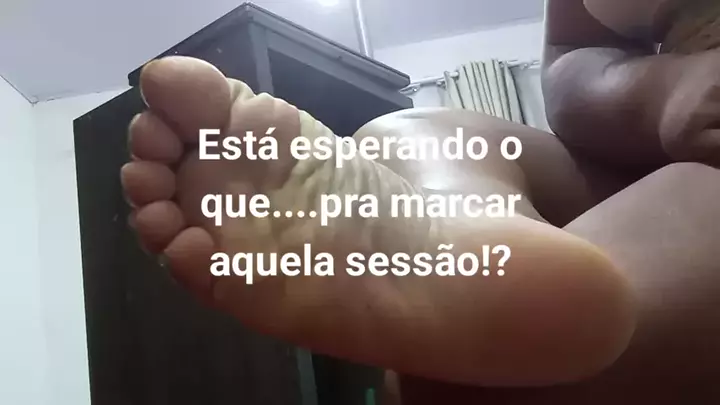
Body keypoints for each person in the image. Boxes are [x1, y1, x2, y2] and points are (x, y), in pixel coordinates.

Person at [120, 0, 720, 403]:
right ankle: (455, 235)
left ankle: (489, 308)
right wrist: (661, 90)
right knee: (413, 131)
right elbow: (572, 56)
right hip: (645, 145)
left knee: (477, 385)